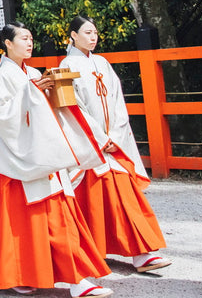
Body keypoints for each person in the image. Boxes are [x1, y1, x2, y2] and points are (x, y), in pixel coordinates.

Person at [0, 23, 111, 297]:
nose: (29, 43)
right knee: (30, 225)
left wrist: (50, 90)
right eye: (23, 38)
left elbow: (47, 109)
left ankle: (76, 279)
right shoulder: (3, 76)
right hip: (21, 161)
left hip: (44, 157)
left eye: (31, 38)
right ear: (7, 44)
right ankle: (31, 276)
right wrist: (33, 91)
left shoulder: (34, 73)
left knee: (58, 220)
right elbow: (2, 117)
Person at [60, 16, 170, 273]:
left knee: (125, 193)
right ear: (73, 36)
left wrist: (116, 136)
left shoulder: (102, 63)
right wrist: (99, 138)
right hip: (90, 145)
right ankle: (100, 252)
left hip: (113, 142)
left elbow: (117, 101)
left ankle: (142, 252)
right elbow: (73, 109)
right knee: (97, 199)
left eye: (95, 32)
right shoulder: (67, 65)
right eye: (87, 32)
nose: (92, 37)